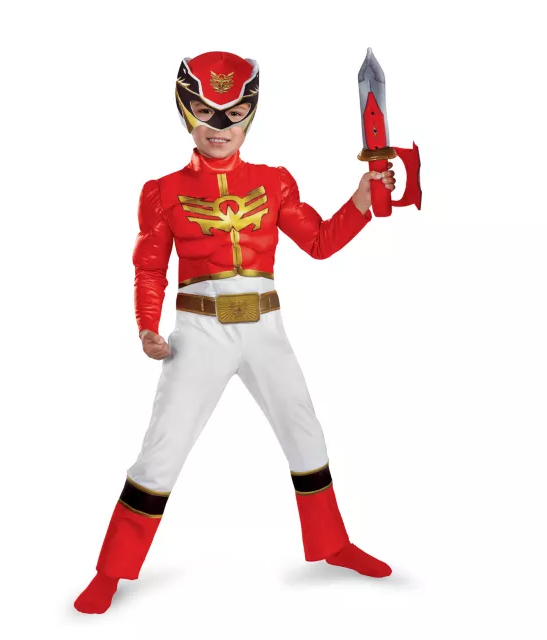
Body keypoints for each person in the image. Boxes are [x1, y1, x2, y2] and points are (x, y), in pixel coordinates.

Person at [75, 50, 397, 614]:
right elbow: (149, 267)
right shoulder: (162, 191)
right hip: (199, 332)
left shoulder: (274, 182)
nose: (219, 125)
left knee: (305, 433)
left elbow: (319, 242)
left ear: (251, 114)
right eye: (205, 111)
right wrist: (147, 327)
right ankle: (111, 569)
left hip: (266, 326)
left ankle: (332, 545)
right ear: (185, 112)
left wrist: (361, 202)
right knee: (162, 448)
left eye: (233, 113)